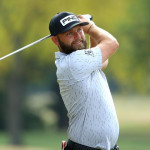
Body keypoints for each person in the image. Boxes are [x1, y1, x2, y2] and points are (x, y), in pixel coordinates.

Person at [49, 12, 119, 150]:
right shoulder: (72, 63)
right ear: (56, 40)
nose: (78, 37)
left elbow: (103, 62)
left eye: (79, 30)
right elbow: (112, 43)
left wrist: (89, 29)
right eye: (69, 33)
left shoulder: (81, 62)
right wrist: (91, 27)